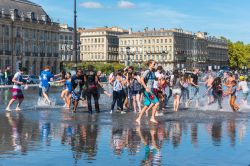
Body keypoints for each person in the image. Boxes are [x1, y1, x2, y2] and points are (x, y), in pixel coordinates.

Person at [136, 60, 159, 125]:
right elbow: (141, 80)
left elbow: (155, 79)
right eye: (154, 64)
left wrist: (158, 78)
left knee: (146, 105)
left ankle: (138, 118)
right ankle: (152, 117)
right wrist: (146, 88)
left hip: (150, 90)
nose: (155, 65)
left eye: (155, 64)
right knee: (156, 103)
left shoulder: (152, 72)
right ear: (150, 64)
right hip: (148, 91)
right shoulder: (147, 71)